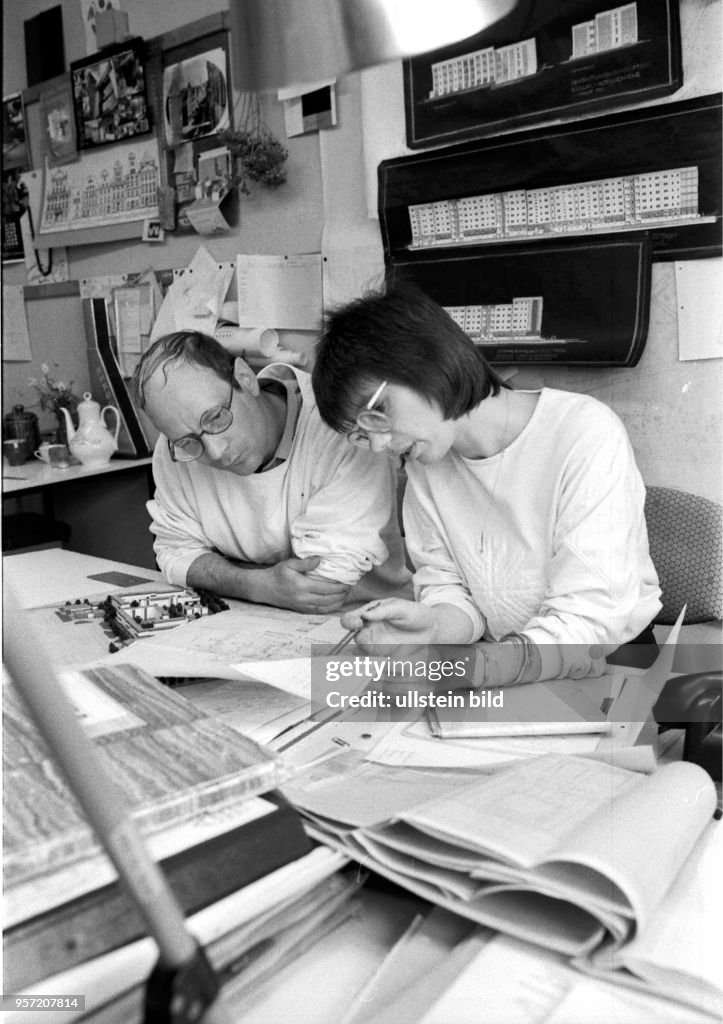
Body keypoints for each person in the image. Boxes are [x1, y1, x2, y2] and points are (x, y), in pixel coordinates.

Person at [312, 282, 662, 686]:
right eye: (358, 433)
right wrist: (433, 625)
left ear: (426, 362)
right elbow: (454, 593)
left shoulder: (583, 433)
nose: (376, 444)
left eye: (376, 414)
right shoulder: (428, 459)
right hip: (505, 664)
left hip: (608, 665)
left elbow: (588, 621)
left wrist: (472, 668)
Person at [134, 330, 411, 614]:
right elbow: (172, 552)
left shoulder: (338, 428)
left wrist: (220, 571)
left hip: (363, 620)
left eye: (216, 417)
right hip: (244, 616)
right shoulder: (179, 451)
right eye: (188, 441)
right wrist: (254, 584)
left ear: (244, 379)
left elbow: (321, 585)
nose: (215, 451)